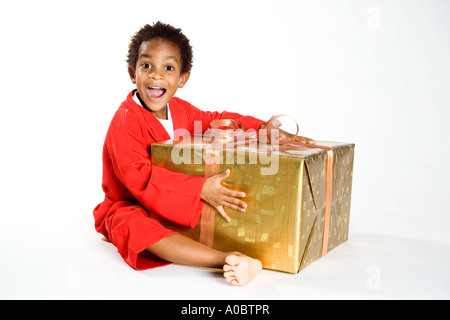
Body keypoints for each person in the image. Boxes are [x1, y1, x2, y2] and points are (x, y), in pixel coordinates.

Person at [93, 21, 310, 286]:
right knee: (135, 228)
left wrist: (262, 129)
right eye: (146, 65)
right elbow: (140, 178)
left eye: (168, 68)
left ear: (182, 78)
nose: (156, 75)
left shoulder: (180, 110)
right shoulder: (125, 121)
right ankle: (226, 259)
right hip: (130, 204)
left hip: (174, 203)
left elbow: (215, 120)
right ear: (132, 72)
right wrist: (199, 190)